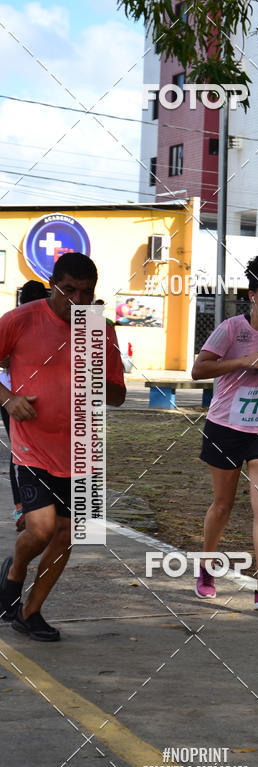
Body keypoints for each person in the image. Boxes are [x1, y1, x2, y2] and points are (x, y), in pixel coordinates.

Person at [0, 253, 126, 641]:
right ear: (53, 285)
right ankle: (14, 571)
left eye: (85, 293)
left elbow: (118, 395)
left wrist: (97, 374)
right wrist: (8, 399)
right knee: (41, 530)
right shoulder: (20, 320)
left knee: (69, 534)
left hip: (82, 449)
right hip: (32, 447)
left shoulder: (102, 329)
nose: (77, 300)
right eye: (68, 290)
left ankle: (30, 612)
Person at [191, 255, 258, 611]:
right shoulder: (232, 329)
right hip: (226, 427)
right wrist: (242, 361)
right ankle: (206, 567)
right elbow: (199, 369)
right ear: (252, 295)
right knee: (223, 504)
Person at [0, 280, 50, 531]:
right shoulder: (14, 321)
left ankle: (32, 503)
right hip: (11, 395)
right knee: (20, 447)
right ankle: (23, 506)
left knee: (28, 447)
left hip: (33, 394)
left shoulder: (53, 323)